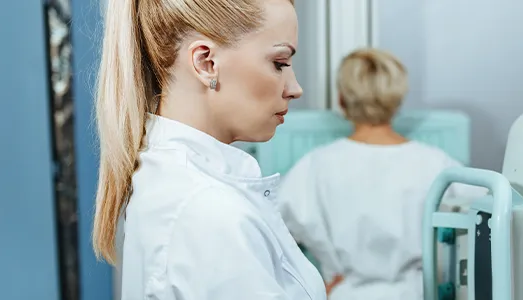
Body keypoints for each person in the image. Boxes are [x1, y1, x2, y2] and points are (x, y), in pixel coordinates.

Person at [90, 0, 326, 299]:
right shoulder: (209, 212)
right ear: (206, 63)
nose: (294, 88)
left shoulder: (172, 181)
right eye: (279, 63)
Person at [277, 48, 487, 300]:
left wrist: (310, 286)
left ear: (342, 100)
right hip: (420, 293)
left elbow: (272, 232)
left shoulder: (315, 166)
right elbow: (484, 219)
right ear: (397, 100)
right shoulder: (437, 165)